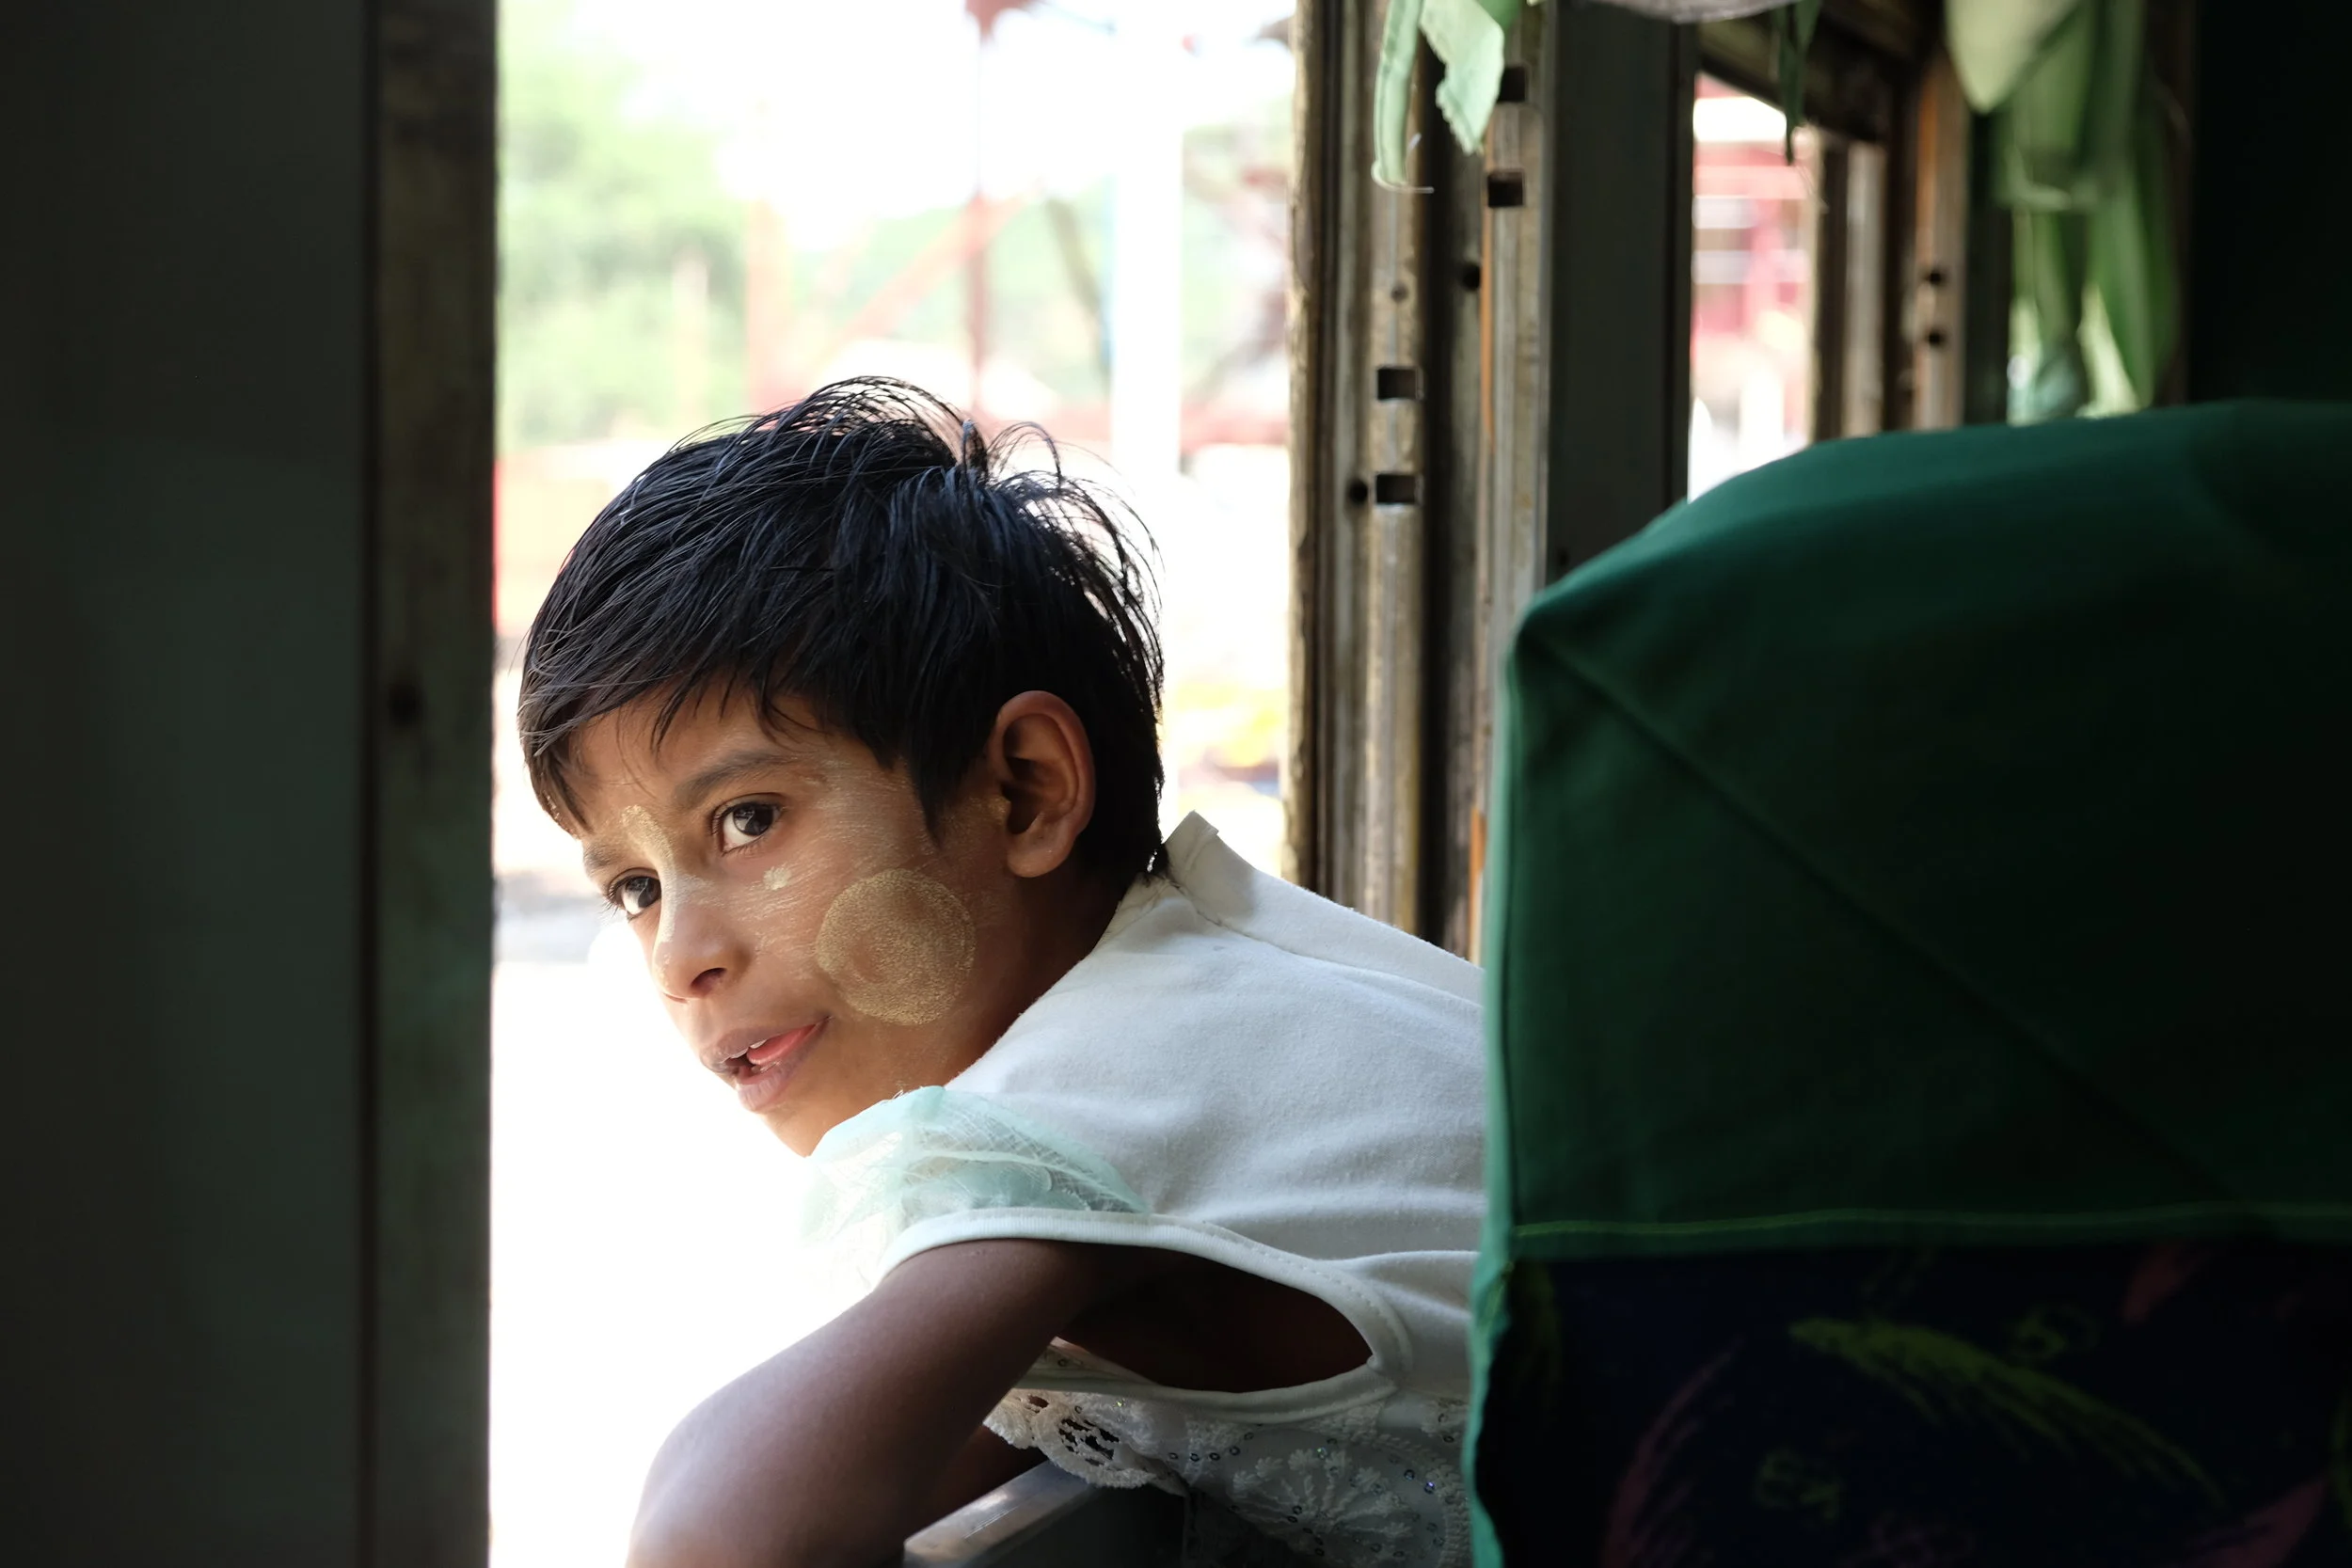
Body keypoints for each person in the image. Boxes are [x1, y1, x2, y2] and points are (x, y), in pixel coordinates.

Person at [517, 379, 1485, 1568]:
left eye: (748, 818)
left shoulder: (1086, 1097)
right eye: (635, 887)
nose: (681, 955)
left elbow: (719, 1539)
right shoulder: (1215, 966)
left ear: (1022, 788)